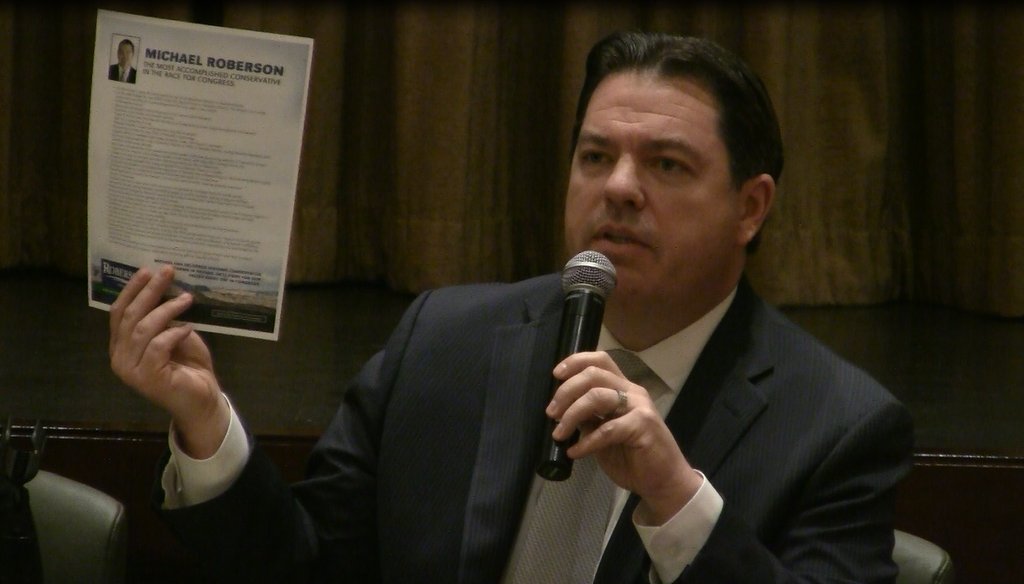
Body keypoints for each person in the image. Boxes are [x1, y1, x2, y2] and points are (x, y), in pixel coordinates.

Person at [108, 30, 914, 583]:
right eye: (596, 156)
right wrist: (207, 424)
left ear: (751, 207)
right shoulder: (443, 342)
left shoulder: (837, 427)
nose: (620, 188)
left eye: (666, 165)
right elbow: (308, 568)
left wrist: (675, 498)